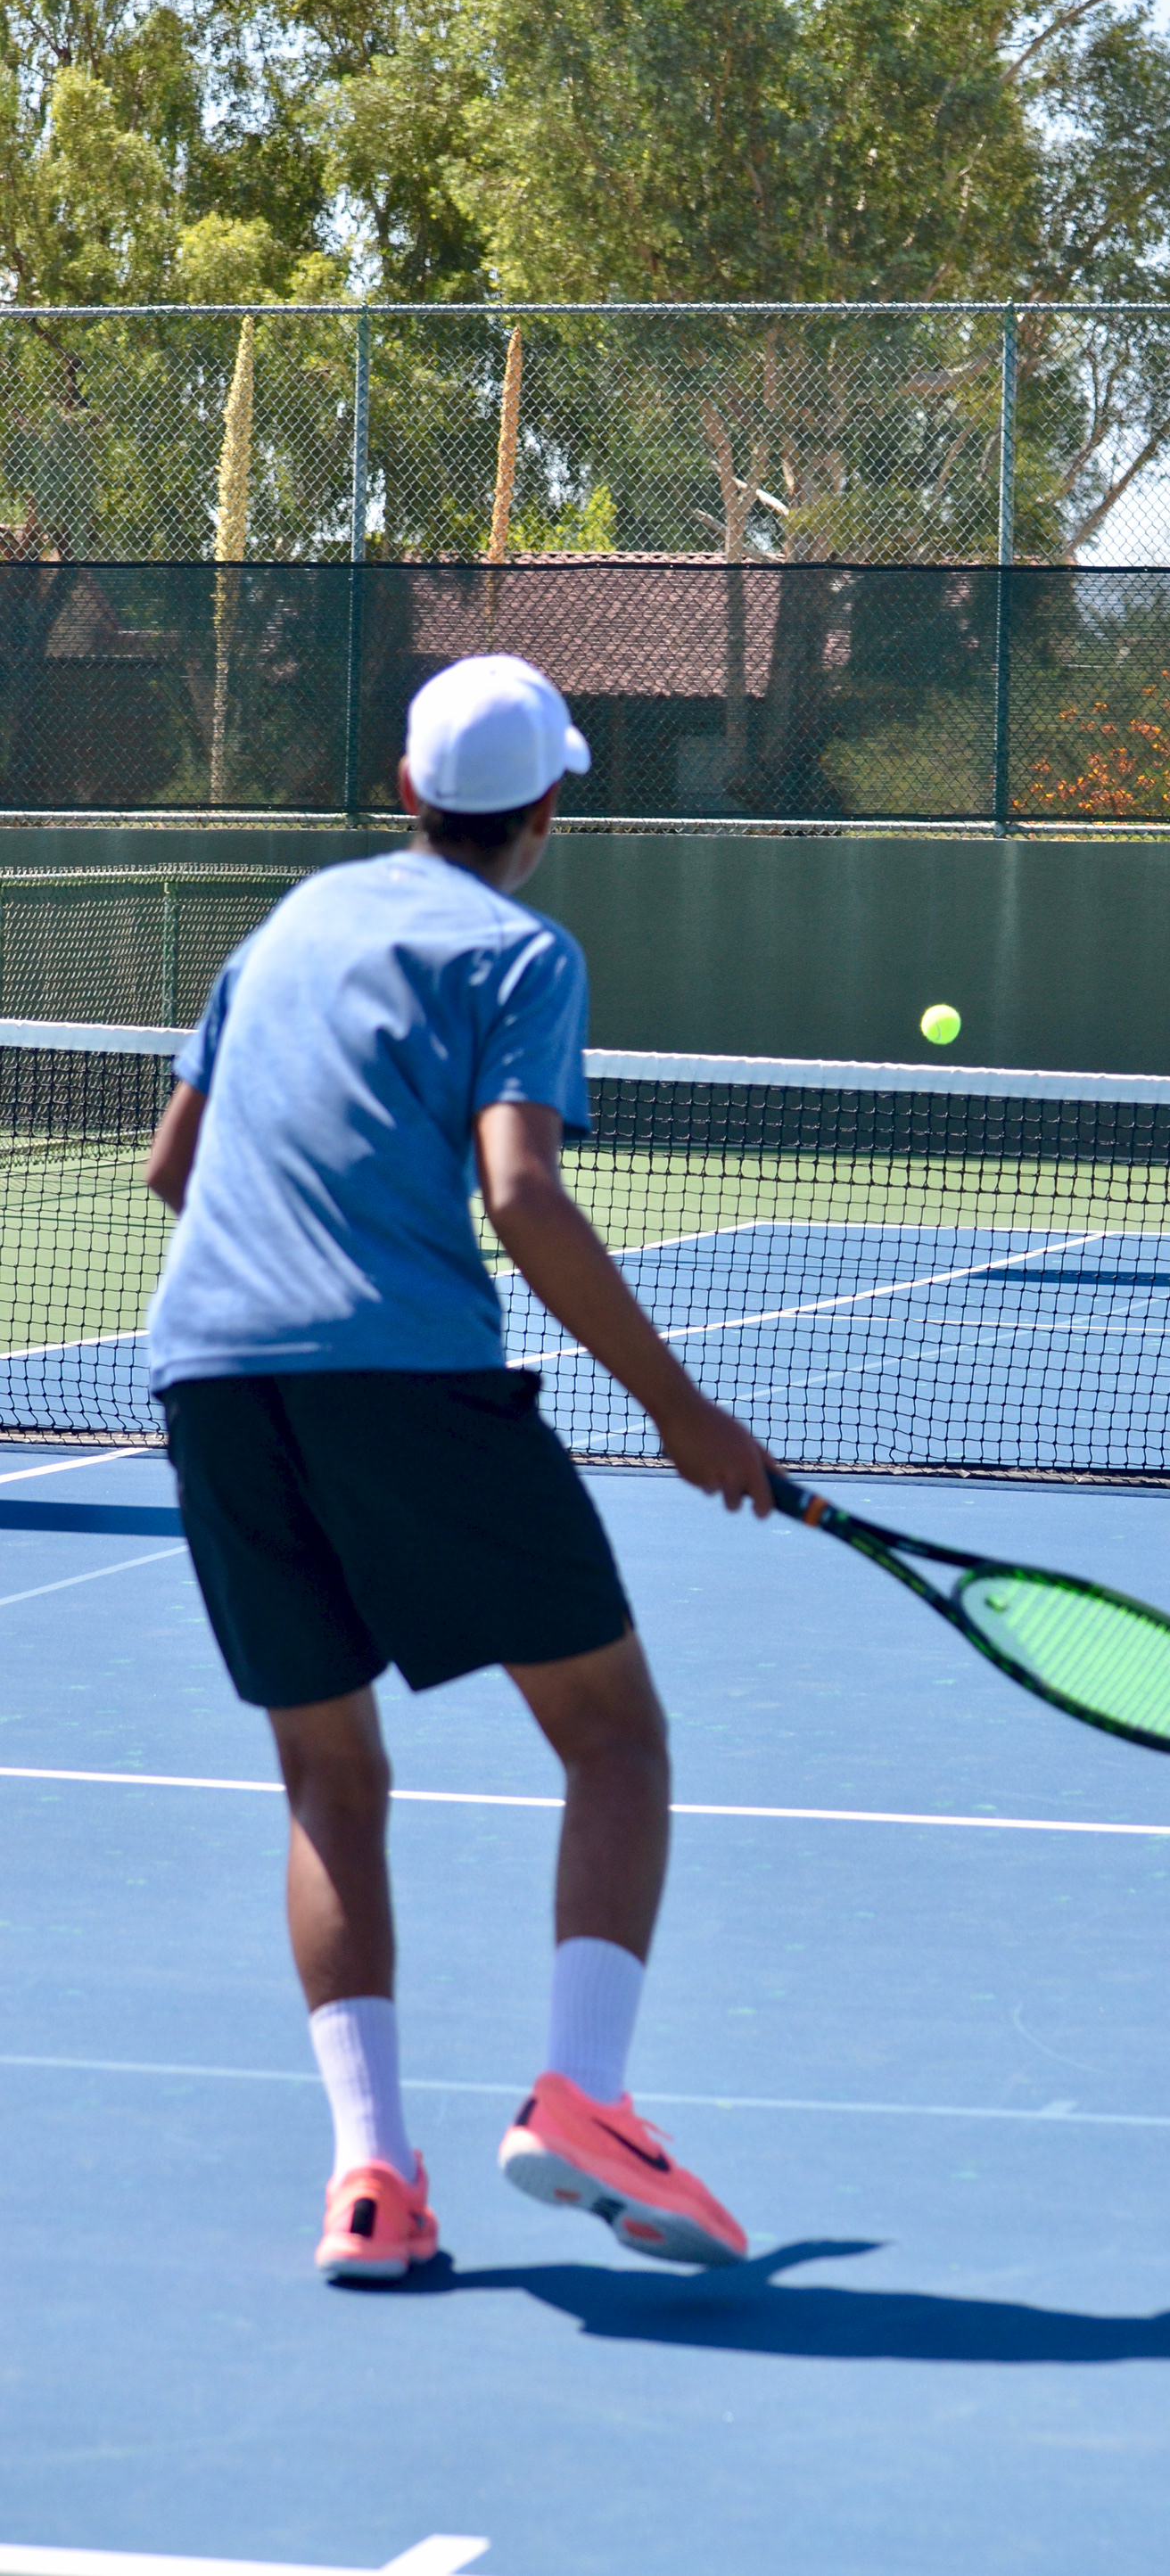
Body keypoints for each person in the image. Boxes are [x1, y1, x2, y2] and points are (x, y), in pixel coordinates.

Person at [144, 654, 775, 2282]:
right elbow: (523, 1192)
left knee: (327, 1779)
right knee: (614, 1734)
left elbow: (173, 1164)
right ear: (548, 808)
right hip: (405, 1378)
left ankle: (371, 2182)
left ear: (407, 790)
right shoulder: (523, 951)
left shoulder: (287, 924)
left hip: (210, 1374)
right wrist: (681, 1408)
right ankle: (591, 2096)